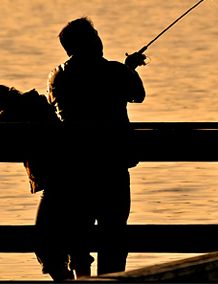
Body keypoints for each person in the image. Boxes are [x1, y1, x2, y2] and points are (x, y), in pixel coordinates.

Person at [36, 16, 146, 280]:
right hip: (113, 164)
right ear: (91, 42)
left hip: (76, 165)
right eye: (96, 37)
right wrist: (129, 68)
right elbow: (137, 95)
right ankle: (111, 280)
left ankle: (82, 283)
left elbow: (59, 107)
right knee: (114, 233)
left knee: (78, 232)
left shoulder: (58, 75)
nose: (100, 41)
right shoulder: (116, 72)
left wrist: (125, 68)